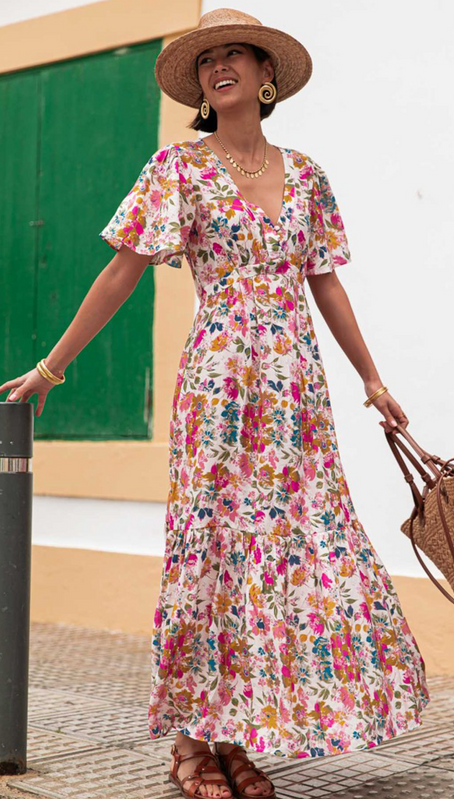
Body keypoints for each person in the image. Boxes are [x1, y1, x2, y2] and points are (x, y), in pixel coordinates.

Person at [0, 8, 430, 799]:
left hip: (296, 395)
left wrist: (372, 379)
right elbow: (121, 272)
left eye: (235, 55)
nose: (219, 67)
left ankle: (243, 739)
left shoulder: (305, 173)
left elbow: (324, 279)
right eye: (208, 61)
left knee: (287, 559)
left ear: (265, 78)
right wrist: (51, 367)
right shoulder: (177, 169)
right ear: (200, 88)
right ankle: (194, 743)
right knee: (214, 553)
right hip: (220, 386)